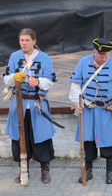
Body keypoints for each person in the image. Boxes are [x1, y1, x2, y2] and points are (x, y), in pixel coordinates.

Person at [69, 38, 112, 184]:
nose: (104, 58)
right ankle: (88, 171)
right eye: (101, 56)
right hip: (87, 109)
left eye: (106, 55)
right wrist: (77, 102)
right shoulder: (83, 62)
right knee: (87, 140)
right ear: (94, 51)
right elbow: (75, 84)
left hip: (106, 109)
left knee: (109, 141)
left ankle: (110, 172)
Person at [4, 28, 57, 184]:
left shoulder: (44, 57)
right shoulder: (15, 56)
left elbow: (51, 80)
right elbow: (6, 79)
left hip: (36, 102)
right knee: (20, 137)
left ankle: (45, 170)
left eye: (27, 40)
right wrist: (15, 77)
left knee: (41, 137)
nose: (24, 43)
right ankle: (23, 170)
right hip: (19, 102)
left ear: (34, 41)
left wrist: (38, 82)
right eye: (21, 40)